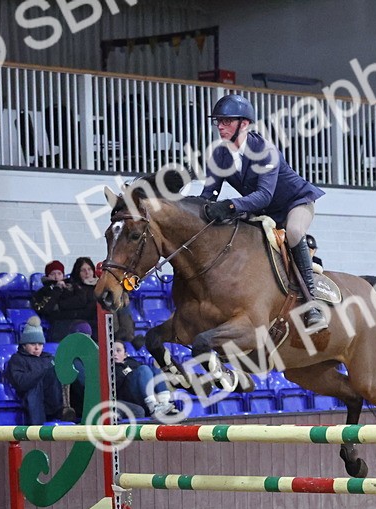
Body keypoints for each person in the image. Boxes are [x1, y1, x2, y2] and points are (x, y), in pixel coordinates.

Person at [198, 94, 327, 329]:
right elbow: (208, 195)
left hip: (294, 203)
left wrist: (229, 206)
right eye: (218, 121)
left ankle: (312, 304)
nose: (220, 126)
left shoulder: (266, 151)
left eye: (226, 121)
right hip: (262, 209)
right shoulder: (219, 155)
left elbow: (264, 195)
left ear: (244, 124)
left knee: (295, 231)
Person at [6, 325, 66, 425]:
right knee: (36, 383)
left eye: (40, 344)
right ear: (24, 345)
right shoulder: (17, 359)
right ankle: (38, 427)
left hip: (52, 400)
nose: (37, 347)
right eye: (33, 344)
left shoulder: (48, 358)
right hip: (28, 400)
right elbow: (22, 383)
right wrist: (44, 371)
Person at [32, 256, 98, 340]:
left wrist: (59, 306)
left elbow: (81, 301)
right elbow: (47, 309)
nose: (56, 277)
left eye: (59, 273)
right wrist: (57, 289)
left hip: (83, 324)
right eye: (53, 274)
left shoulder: (71, 286)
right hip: (61, 326)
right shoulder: (44, 291)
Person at [111, 341, 175, 420]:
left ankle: (164, 403)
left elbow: (146, 375)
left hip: (141, 396)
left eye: (118, 350)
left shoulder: (132, 362)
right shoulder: (110, 367)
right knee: (144, 369)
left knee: (156, 370)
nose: (114, 353)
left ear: (125, 355)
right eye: (112, 351)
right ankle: (153, 407)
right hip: (126, 398)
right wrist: (126, 371)